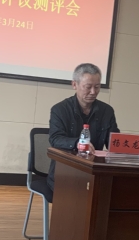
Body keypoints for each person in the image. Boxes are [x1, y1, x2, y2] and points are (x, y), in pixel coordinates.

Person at [47, 63, 119, 191]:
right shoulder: (60, 109)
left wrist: (131, 149)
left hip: (95, 171)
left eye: (97, 87)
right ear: (74, 85)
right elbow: (55, 139)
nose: (93, 92)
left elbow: (113, 142)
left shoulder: (106, 111)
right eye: (88, 87)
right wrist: (78, 143)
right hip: (65, 172)